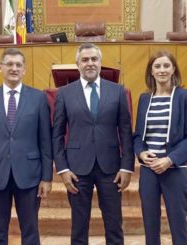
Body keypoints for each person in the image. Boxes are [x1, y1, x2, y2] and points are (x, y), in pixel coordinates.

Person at [52, 43, 134, 245]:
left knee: (114, 225)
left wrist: (126, 167)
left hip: (111, 168)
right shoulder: (64, 93)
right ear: (78, 64)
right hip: (77, 169)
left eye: (94, 59)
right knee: (79, 227)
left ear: (100, 63)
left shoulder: (117, 91)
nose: (90, 63)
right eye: (85, 60)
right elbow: (57, 134)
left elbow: (125, 131)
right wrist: (62, 169)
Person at [0, 48, 53, 245]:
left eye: (18, 65)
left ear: (24, 69)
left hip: (29, 176)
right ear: (0, 68)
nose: (14, 68)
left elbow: (45, 141)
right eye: (9, 64)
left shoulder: (38, 98)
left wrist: (46, 177)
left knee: (31, 232)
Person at [133, 50, 187, 245]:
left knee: (178, 227)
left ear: (173, 70)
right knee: (150, 226)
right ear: (151, 72)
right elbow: (138, 136)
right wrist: (141, 152)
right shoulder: (145, 99)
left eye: (166, 66)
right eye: (157, 66)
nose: (162, 70)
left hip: (174, 170)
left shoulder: (185, 96)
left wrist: (170, 159)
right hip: (149, 171)